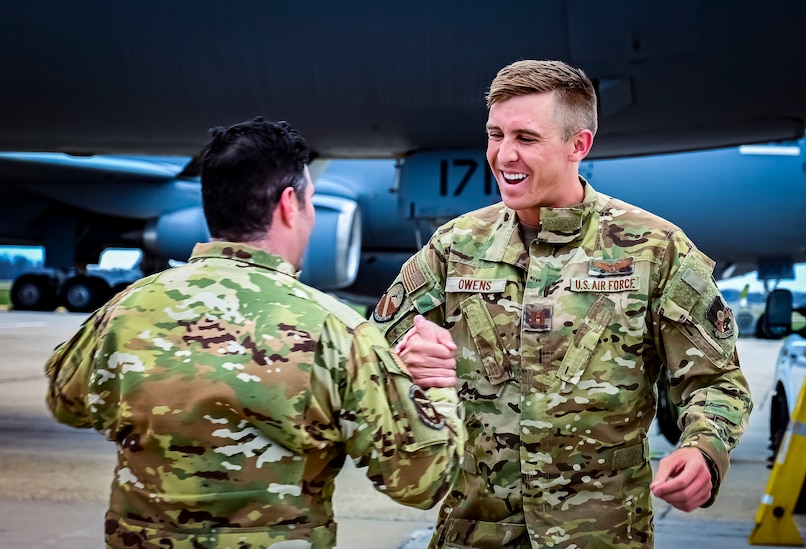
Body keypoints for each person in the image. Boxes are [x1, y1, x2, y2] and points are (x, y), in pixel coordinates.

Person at [370, 60, 753, 548]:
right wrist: (403, 360)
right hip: (474, 532)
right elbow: (371, 351)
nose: (503, 155)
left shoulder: (653, 249)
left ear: (579, 145)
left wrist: (704, 448)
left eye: (526, 138)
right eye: (495, 134)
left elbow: (716, 380)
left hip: (601, 535)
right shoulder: (455, 246)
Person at [44, 117, 465, 549]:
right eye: (311, 201)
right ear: (288, 205)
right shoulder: (336, 331)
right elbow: (422, 480)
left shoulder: (125, 310)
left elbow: (66, 403)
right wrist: (436, 387)